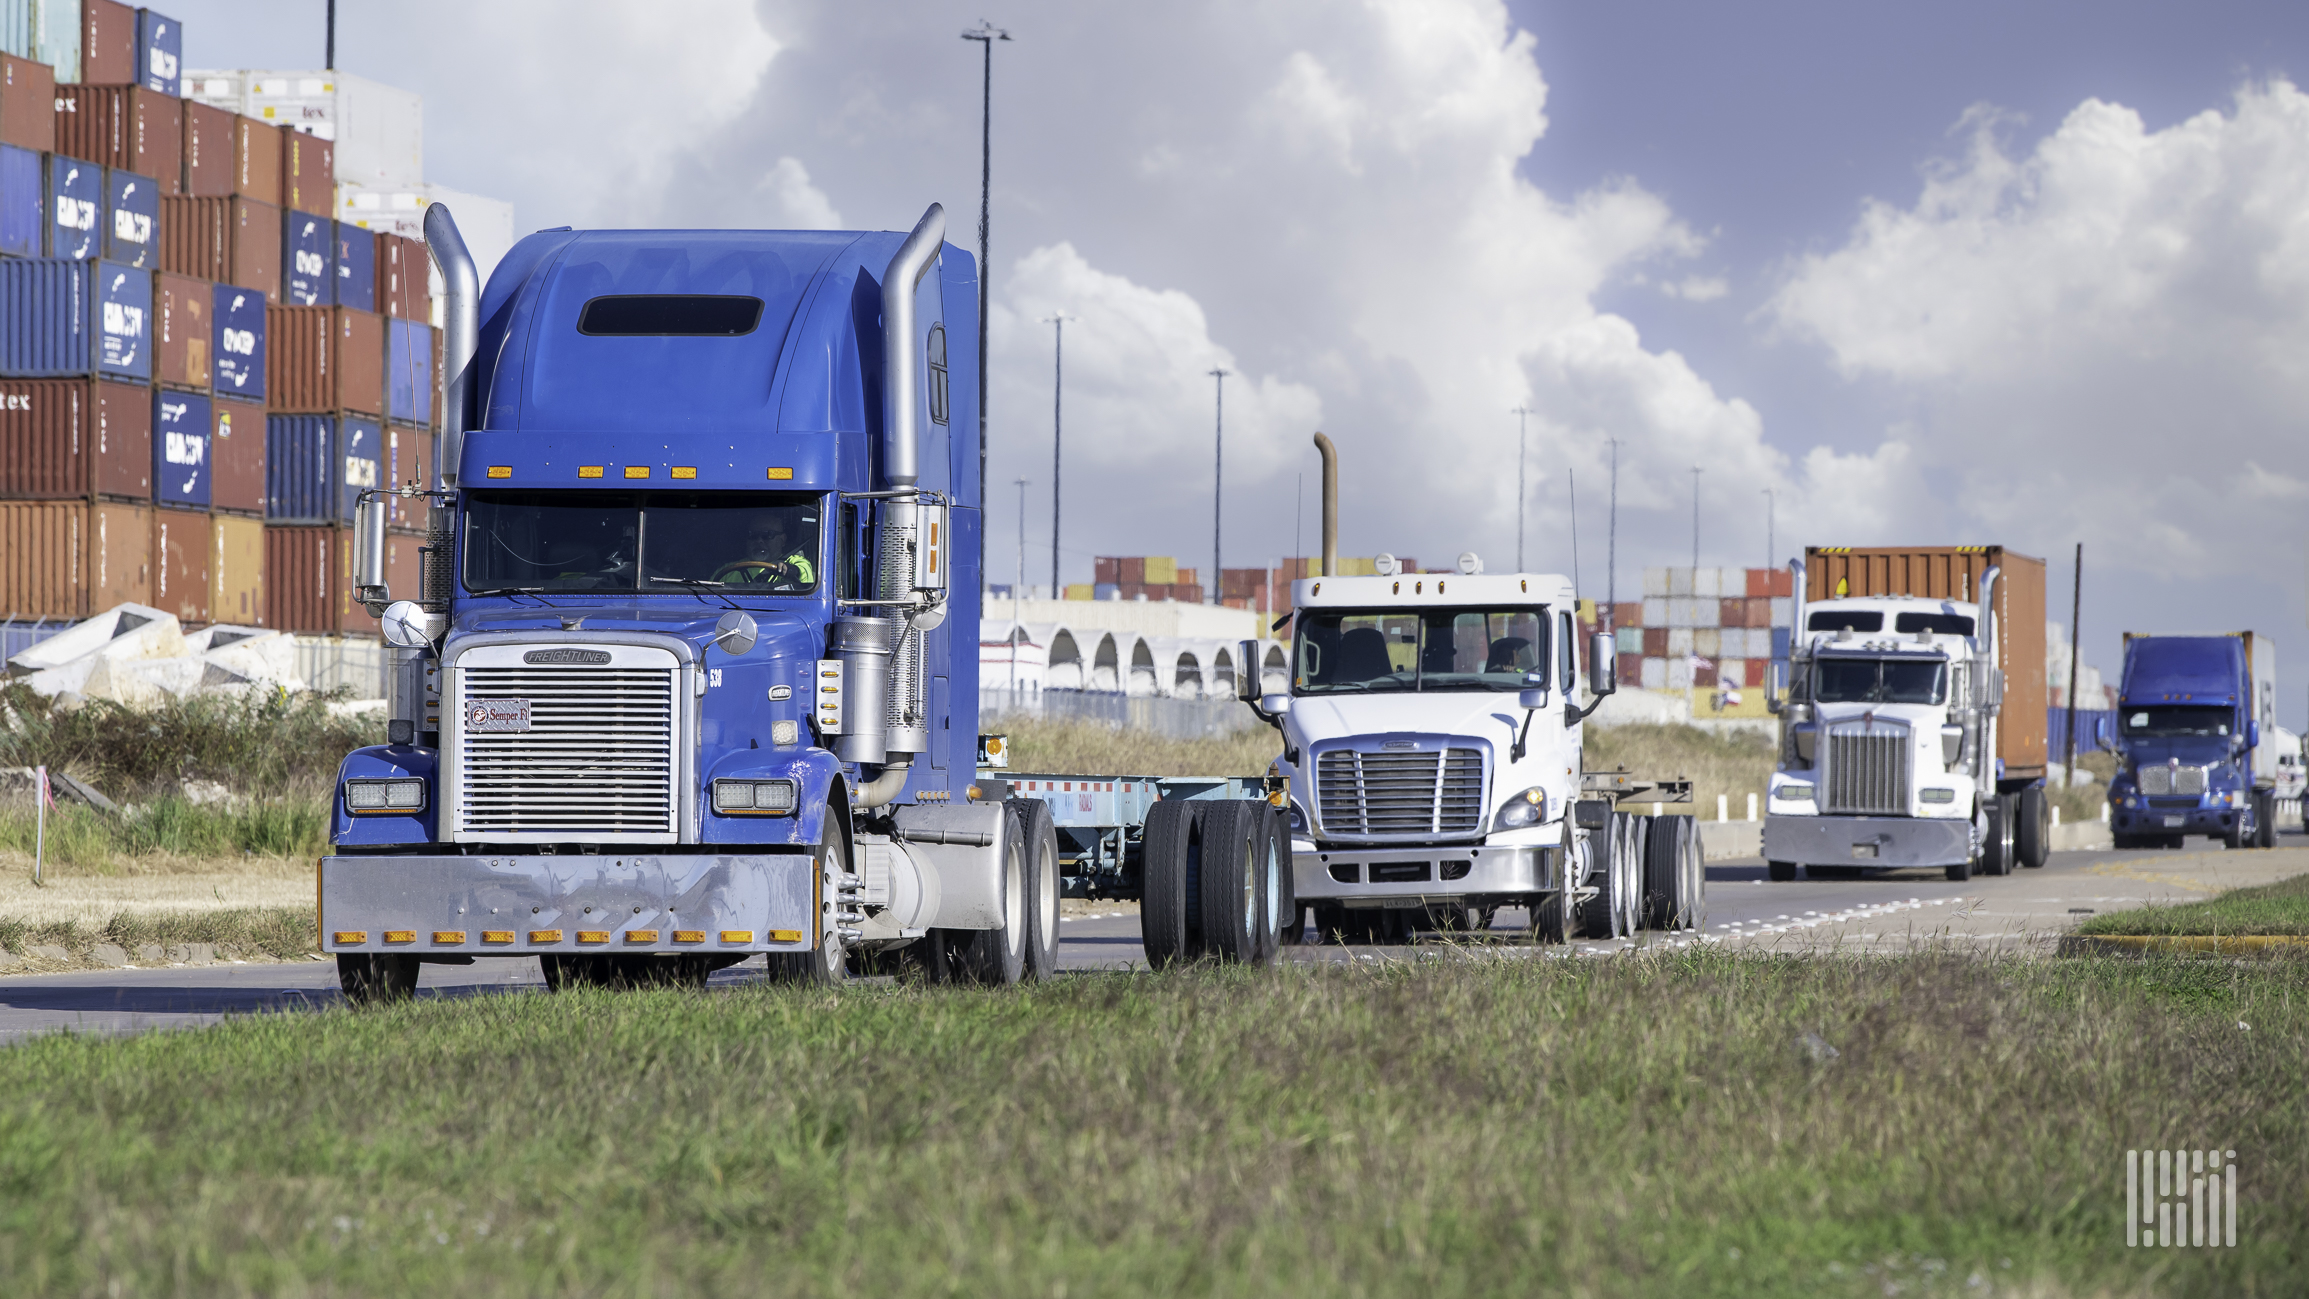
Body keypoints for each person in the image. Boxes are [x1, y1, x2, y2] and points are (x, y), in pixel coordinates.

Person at [715, 512, 816, 589]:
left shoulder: (794, 561)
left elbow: (803, 573)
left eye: (768, 535)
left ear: (782, 540)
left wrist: (790, 571)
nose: (759, 541)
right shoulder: (728, 571)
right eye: (753, 535)